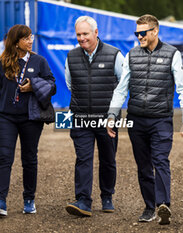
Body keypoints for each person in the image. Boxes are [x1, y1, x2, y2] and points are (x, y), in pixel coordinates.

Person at [107, 14, 183, 225]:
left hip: (161, 119)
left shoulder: (173, 54)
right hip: (136, 120)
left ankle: (164, 205)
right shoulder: (131, 55)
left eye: (142, 33)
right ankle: (149, 207)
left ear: (155, 31)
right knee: (143, 165)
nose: (139, 36)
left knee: (160, 160)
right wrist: (112, 114)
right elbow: (121, 88)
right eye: (137, 33)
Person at [0, 24, 56, 217]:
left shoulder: (39, 61)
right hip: (6, 116)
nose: (31, 40)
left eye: (31, 37)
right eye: (27, 38)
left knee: (29, 158)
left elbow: (52, 85)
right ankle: (0, 201)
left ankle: (29, 199)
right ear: (16, 42)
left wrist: (34, 86)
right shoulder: (0, 63)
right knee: (5, 157)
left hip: (31, 117)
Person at [65, 16, 124, 217]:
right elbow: (70, 84)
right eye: (78, 34)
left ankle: (107, 196)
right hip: (81, 118)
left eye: (85, 34)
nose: (81, 38)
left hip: (108, 119)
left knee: (108, 159)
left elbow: (123, 86)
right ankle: (83, 201)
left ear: (96, 33)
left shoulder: (114, 55)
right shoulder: (71, 56)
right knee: (83, 158)